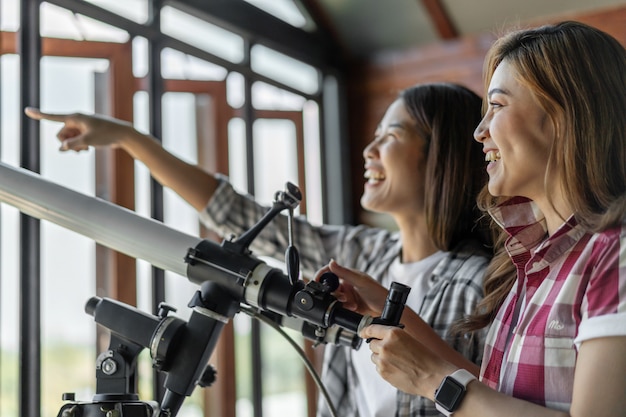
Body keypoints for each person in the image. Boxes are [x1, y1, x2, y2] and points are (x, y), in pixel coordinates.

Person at [25, 81, 493, 417]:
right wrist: (129, 138)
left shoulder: (479, 282)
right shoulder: (363, 253)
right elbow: (237, 214)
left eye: (390, 135)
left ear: (442, 155)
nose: (369, 148)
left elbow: (491, 399)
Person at [335, 20, 626, 417]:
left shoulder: (615, 256)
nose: (479, 132)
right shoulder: (527, 263)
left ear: (563, 116)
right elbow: (498, 402)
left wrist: (433, 380)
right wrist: (392, 313)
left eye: (498, 106)